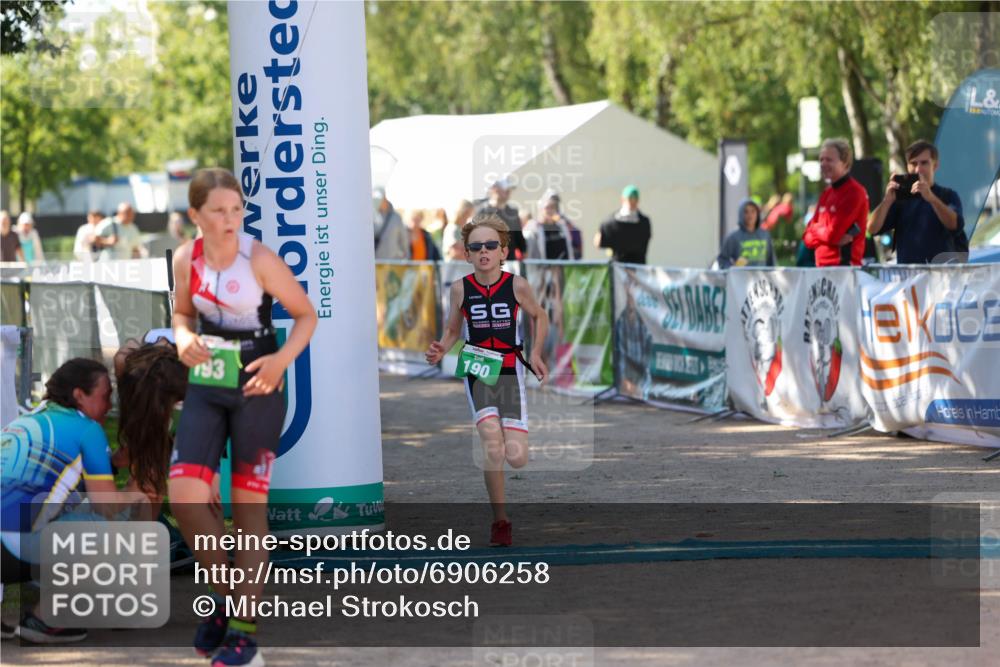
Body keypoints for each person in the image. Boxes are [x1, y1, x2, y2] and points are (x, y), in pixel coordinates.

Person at [169, 168, 316, 666]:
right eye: (218, 210)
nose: (230, 219)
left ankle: (244, 631)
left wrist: (280, 362)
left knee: (248, 510)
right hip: (208, 384)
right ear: (195, 215)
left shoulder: (261, 259)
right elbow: (183, 314)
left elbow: (306, 315)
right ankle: (228, 599)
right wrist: (183, 336)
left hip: (258, 385)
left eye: (237, 209)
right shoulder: (185, 258)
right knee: (185, 498)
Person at [425, 213, 549, 547]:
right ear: (466, 254)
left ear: (503, 252)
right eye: (476, 246)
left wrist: (535, 353)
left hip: (510, 368)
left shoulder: (517, 285)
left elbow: (541, 316)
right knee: (491, 443)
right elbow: (453, 329)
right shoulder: (460, 289)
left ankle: (515, 444)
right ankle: (501, 520)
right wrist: (441, 348)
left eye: (491, 245)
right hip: (478, 367)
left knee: (516, 457)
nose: (484, 252)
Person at [1, 358, 138, 643]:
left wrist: (111, 464)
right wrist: (141, 492)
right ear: (79, 395)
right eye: (105, 396)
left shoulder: (25, 420)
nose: (110, 406)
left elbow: (56, 484)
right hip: (14, 551)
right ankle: (44, 620)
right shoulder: (88, 429)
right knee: (110, 529)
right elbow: (106, 505)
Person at [867, 140, 965, 264]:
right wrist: (887, 200)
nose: (918, 169)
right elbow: (872, 229)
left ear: (935, 166)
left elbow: (955, 225)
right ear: (907, 166)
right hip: (910, 277)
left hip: (942, 275)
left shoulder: (947, 195)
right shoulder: (900, 199)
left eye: (924, 163)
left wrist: (931, 198)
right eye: (913, 163)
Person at [802, 138, 869, 267]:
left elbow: (833, 234)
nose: (823, 164)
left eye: (829, 160)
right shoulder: (827, 193)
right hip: (821, 269)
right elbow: (806, 238)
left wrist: (815, 230)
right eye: (821, 159)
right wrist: (822, 232)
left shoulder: (854, 192)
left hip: (843, 270)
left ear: (844, 163)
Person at [594, 185, 651, 264]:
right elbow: (598, 242)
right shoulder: (611, 222)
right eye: (630, 199)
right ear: (623, 200)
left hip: (636, 268)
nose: (632, 202)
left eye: (634, 199)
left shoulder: (643, 222)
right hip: (620, 268)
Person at [474, 178, 526, 261]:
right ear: (495, 189)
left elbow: (519, 238)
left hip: (509, 262)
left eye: (509, 190)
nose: (509, 192)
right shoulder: (482, 212)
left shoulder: (513, 212)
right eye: (506, 189)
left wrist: (524, 251)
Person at [716, 199, 777, 268]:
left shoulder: (765, 235)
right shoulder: (733, 237)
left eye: (753, 211)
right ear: (741, 214)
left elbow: (771, 261)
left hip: (761, 277)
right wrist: (733, 268)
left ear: (757, 213)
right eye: (746, 212)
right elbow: (722, 260)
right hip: (741, 278)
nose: (750, 215)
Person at [523, 189, 577, 260]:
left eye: (554, 207)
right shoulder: (533, 227)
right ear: (540, 207)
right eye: (547, 207)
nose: (550, 210)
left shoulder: (562, 227)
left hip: (561, 270)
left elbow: (569, 251)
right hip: (540, 270)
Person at [373, 186, 409, 260]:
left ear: (385, 199)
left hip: (392, 263)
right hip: (376, 263)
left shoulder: (396, 218)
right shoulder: (372, 217)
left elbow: (404, 239)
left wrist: (406, 256)